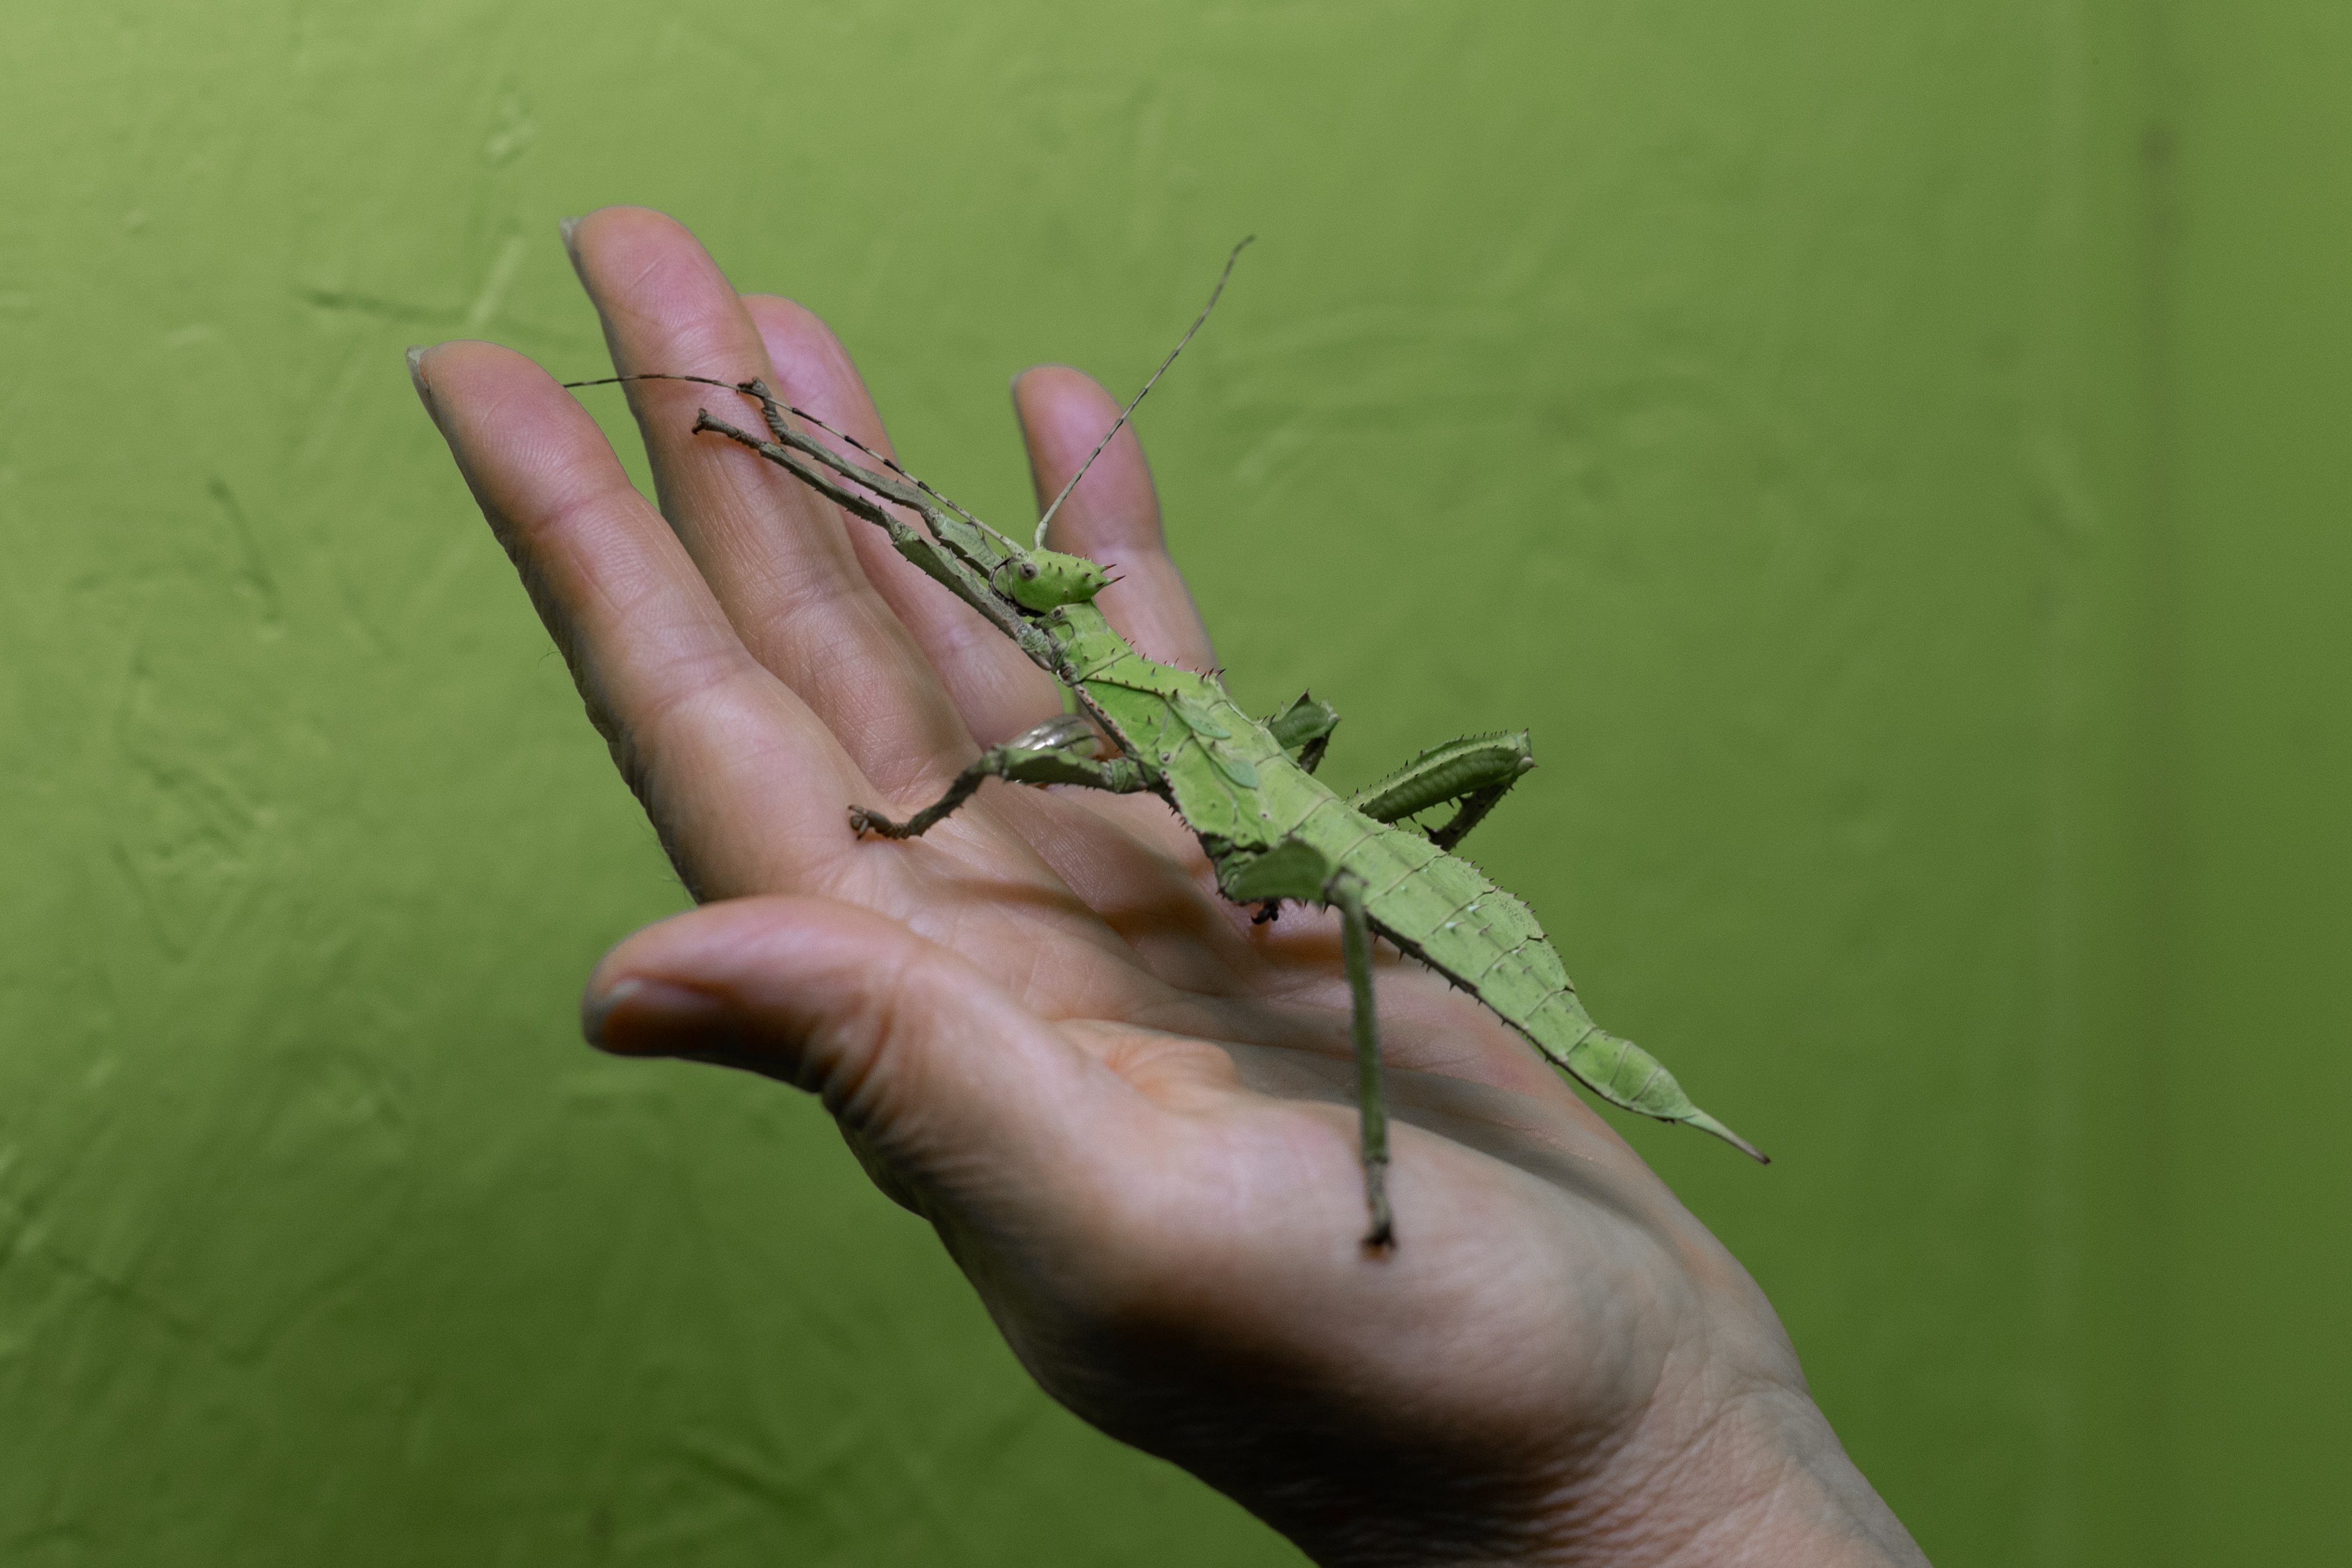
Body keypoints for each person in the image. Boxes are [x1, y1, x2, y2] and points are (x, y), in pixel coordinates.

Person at [407, 206, 1928, 1567]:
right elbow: (940, 547)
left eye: (1037, 600)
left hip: (1347, 864)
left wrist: (948, 813)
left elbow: (1018, 758)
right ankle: (1353, 901)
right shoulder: (1119, 702)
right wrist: (782, 450)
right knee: (1294, 799)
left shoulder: (1120, 739)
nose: (1017, 594)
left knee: (1326, 835)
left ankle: (1386, 1147)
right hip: (1320, 833)